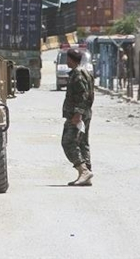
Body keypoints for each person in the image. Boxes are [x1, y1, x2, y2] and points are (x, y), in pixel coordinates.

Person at [61, 48, 95, 186]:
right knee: (82, 143)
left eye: (67, 58)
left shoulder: (78, 74)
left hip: (77, 115)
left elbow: (83, 95)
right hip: (85, 113)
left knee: (68, 142)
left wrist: (78, 114)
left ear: (71, 59)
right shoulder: (84, 72)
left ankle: (83, 170)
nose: (66, 61)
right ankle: (86, 175)